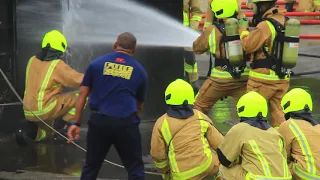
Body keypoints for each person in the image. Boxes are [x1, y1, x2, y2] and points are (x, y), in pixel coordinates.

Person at [67, 32, 147, 180]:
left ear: (115, 45)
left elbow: (82, 94)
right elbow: (139, 105)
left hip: (100, 122)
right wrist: (134, 122)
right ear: (134, 50)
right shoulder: (140, 71)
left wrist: (75, 123)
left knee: (91, 168)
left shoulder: (96, 64)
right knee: (135, 169)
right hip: (126, 123)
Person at [15, 30, 84, 146]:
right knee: (82, 95)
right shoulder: (56, 65)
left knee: (48, 133)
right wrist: (97, 78)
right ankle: (64, 128)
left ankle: (31, 133)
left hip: (29, 110)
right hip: (46, 108)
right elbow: (79, 81)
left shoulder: (32, 60)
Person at [150, 79, 224, 180]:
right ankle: (220, 175)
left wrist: (166, 172)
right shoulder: (200, 116)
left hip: (182, 175)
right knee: (220, 158)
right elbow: (220, 144)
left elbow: (157, 154)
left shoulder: (161, 123)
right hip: (206, 166)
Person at [239, 0, 293, 128]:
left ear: (262, 5)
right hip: (281, 78)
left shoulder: (265, 25)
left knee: (251, 115)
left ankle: (253, 144)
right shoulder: (285, 21)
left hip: (262, 80)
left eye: (255, 6)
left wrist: (243, 30)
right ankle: (281, 143)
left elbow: (248, 46)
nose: (253, 10)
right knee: (279, 118)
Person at [217, 91, 292, 180]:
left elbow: (225, 160)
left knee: (222, 169)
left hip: (257, 178)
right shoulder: (275, 132)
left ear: (241, 109)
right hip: (285, 178)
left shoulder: (240, 128)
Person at [193, 0, 249, 115]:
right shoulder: (243, 27)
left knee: (198, 107)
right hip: (242, 78)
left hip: (219, 80)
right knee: (248, 112)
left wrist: (207, 28)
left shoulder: (212, 30)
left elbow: (197, 48)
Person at [278, 88, 320, 180]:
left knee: (278, 164)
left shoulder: (288, 125)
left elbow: (283, 154)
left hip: (307, 175)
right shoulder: (317, 126)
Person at [183, 0, 202, 93]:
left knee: (189, 57)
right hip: (165, 32)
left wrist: (192, 28)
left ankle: (193, 80)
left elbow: (197, 12)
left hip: (185, 32)